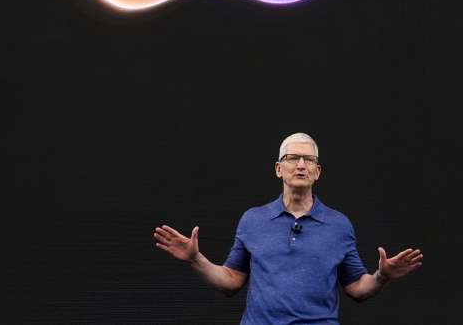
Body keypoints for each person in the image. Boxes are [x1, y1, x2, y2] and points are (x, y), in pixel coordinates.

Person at [153, 132, 423, 324]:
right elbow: (231, 281)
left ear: (318, 171)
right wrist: (195, 259)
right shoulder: (252, 220)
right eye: (293, 158)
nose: (302, 165)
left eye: (309, 160)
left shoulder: (339, 225)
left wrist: (382, 276)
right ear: (278, 169)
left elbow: (357, 288)